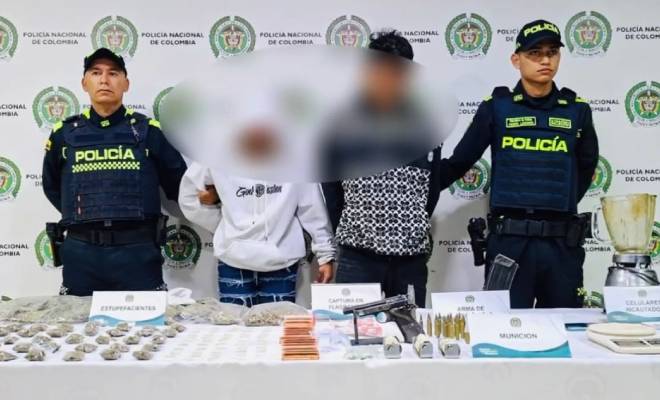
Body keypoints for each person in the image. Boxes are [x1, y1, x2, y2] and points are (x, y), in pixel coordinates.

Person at [436, 20, 599, 308]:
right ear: (516, 59)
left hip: (561, 245)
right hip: (509, 244)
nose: (545, 60)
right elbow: (460, 162)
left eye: (552, 52)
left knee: (566, 326)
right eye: (535, 53)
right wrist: (415, 189)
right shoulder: (497, 107)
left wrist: (557, 202)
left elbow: (586, 168)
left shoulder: (577, 110)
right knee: (504, 327)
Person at [42, 48, 187, 296]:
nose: (104, 80)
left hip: (138, 255)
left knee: (148, 323)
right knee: (78, 321)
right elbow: (52, 187)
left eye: (113, 73)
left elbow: (180, 186)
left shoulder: (149, 131)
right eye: (96, 73)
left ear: (126, 83)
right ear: (84, 83)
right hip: (82, 255)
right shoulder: (63, 134)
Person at [321, 30, 442, 307]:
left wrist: (409, 227)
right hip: (358, 257)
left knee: (411, 329)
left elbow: (431, 188)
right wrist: (354, 229)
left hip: (410, 259)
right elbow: (331, 187)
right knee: (353, 331)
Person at [179, 162, 335, 306]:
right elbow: (189, 197)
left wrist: (326, 254)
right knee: (236, 324)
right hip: (234, 260)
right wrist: (221, 224)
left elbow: (312, 209)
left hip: (280, 261)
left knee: (277, 325)